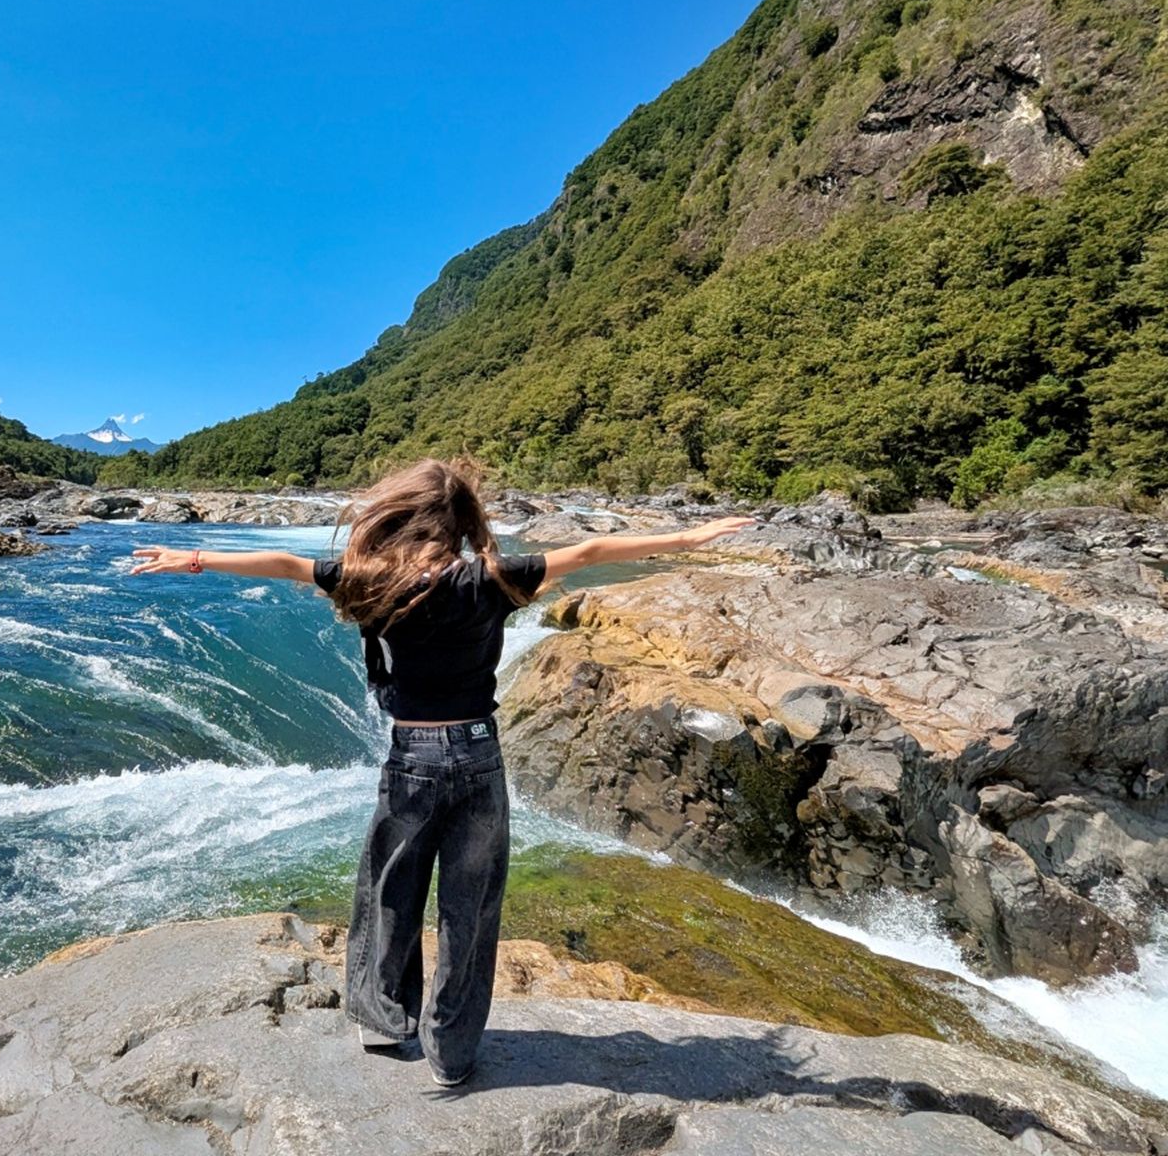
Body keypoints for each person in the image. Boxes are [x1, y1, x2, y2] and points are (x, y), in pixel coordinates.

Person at [130, 458, 754, 1086]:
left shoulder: (373, 579)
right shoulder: (492, 578)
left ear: (400, 520)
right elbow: (589, 550)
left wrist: (194, 558)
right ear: (461, 524)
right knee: (471, 907)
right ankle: (451, 1056)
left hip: (413, 758)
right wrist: (686, 540)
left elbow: (288, 566)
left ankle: (383, 1021)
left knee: (389, 890)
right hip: (480, 754)